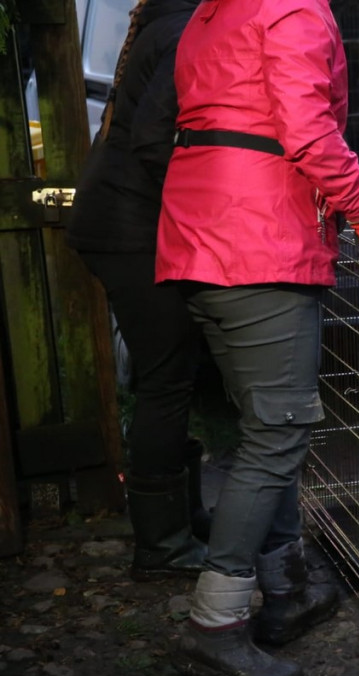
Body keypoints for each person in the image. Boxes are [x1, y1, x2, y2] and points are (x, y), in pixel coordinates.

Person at [154, 0, 359, 676]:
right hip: (257, 242)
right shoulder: (290, 8)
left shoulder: (214, 13)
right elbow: (309, 132)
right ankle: (215, 624)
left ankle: (287, 589)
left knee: (264, 427)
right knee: (277, 433)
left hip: (200, 238)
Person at [66, 0, 209, 582]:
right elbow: (156, 143)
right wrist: (202, 209)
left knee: (176, 368)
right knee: (166, 378)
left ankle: (184, 516)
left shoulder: (163, 20)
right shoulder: (181, 30)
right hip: (130, 229)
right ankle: (162, 543)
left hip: (119, 221)